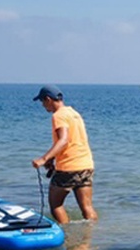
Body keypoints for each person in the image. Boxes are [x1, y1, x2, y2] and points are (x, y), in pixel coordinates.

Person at [31, 85, 98, 224]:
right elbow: (73, 141)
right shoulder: (74, 113)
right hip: (86, 165)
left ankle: (66, 235)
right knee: (87, 207)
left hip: (68, 168)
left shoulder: (58, 116)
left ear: (48, 99)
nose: (43, 106)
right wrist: (52, 159)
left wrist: (44, 159)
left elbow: (64, 140)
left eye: (43, 102)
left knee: (56, 205)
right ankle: (91, 237)